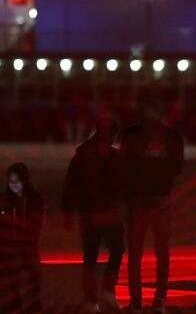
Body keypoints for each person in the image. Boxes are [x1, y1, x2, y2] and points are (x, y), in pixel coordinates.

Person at [120, 100, 184, 313]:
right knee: (161, 251)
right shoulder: (172, 137)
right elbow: (177, 167)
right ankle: (159, 301)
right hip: (161, 198)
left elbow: (124, 165)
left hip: (138, 199)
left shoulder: (131, 135)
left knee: (136, 254)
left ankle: (137, 302)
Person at [62, 116, 126, 313]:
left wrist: (68, 211)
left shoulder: (82, 154)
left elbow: (70, 184)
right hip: (106, 212)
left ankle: (91, 300)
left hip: (88, 213)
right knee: (116, 250)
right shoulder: (113, 157)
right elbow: (121, 185)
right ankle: (106, 290)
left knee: (90, 256)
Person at [0, 162, 44, 311]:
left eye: (17, 181)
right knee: (14, 263)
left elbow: (36, 226)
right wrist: (2, 217)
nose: (13, 185)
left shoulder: (34, 200)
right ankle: (17, 300)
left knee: (33, 267)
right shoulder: (2, 200)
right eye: (11, 181)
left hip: (26, 247)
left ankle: (34, 302)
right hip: (5, 247)